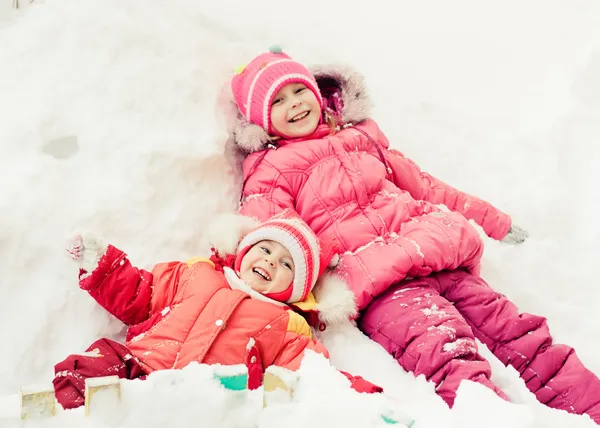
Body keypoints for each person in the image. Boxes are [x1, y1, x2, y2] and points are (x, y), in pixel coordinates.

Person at [223, 46, 600, 423]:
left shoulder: (362, 139)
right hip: (382, 286)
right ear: (263, 122)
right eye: (278, 101)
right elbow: (271, 240)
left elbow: (426, 187)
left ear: (317, 93)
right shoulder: (272, 171)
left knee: (521, 333)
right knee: (444, 353)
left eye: (299, 90)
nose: (295, 104)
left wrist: (494, 220)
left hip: (439, 255)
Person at [53, 210, 382, 410]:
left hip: (206, 397)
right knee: (95, 361)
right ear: (243, 251)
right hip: (140, 367)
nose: (269, 261)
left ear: (295, 290)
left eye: (286, 264)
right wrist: (104, 264)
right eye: (265, 249)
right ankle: (73, 413)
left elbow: (313, 374)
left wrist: (360, 397)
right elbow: (140, 293)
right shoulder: (196, 275)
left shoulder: (285, 325)